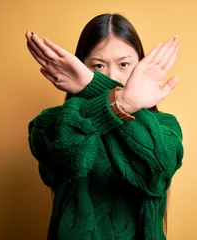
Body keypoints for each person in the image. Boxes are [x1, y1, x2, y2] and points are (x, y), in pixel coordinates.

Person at [25, 13, 183, 240]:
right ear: (79, 67)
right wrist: (123, 102)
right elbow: (69, 159)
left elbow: (156, 170)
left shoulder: (165, 127)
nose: (113, 75)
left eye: (124, 64)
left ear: (141, 65)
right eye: (98, 65)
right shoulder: (51, 124)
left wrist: (93, 85)